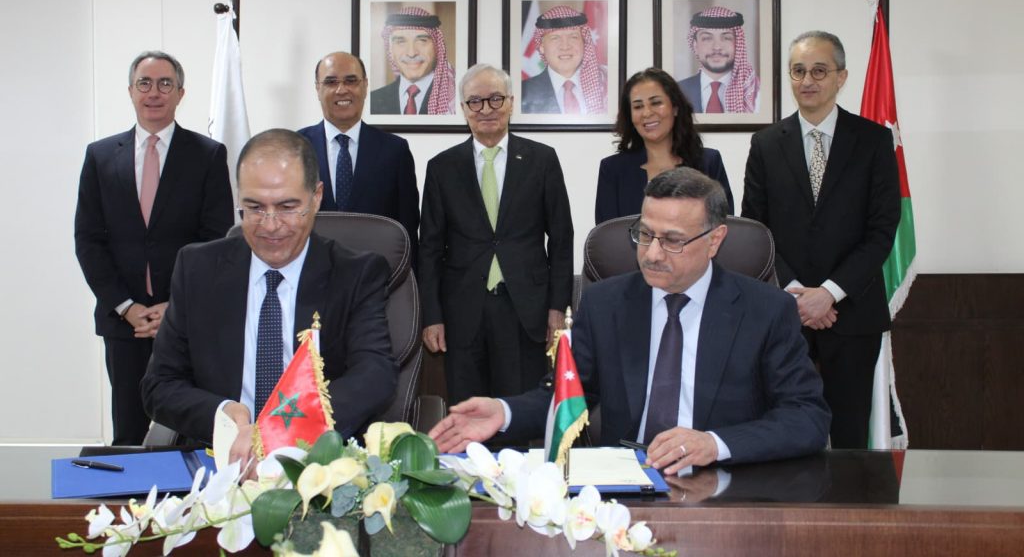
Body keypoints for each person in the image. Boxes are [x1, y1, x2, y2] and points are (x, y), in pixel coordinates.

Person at [430, 167, 830, 470]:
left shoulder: (765, 310)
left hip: (722, 482)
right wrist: (504, 413)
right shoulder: (605, 304)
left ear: (715, 240)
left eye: (672, 240)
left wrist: (715, 443)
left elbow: (808, 417)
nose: (652, 254)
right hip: (625, 482)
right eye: (645, 234)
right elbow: (568, 394)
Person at [141, 129, 397, 465]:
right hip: (221, 461)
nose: (271, 225)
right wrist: (222, 413)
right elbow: (159, 385)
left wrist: (279, 428)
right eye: (255, 208)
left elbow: (374, 376)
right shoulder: (197, 268)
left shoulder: (355, 274)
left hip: (318, 463)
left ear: (316, 197)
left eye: (287, 207)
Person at [741, 30, 900, 448]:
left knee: (850, 436)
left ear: (841, 77)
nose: (807, 80)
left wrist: (828, 293)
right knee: (781, 433)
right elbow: (755, 230)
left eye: (819, 71)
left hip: (853, 312)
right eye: (798, 71)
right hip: (783, 313)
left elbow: (882, 229)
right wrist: (796, 293)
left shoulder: (873, 140)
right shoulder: (765, 144)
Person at [74, 51, 233, 445]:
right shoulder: (100, 156)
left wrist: (175, 306)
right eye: (144, 83)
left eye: (165, 84)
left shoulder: (208, 155)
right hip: (123, 323)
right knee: (128, 433)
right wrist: (126, 307)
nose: (154, 93)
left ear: (181, 93)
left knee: (190, 432)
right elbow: (88, 241)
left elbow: (216, 241)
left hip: (186, 322)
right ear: (131, 91)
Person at [419, 64, 573, 406]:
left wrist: (557, 307)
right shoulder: (442, 167)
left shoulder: (542, 160)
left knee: (520, 411)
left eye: (495, 99)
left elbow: (562, 239)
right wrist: (432, 316)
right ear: (464, 109)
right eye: (475, 101)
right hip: (462, 311)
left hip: (524, 309)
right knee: (466, 411)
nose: (486, 109)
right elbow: (428, 249)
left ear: (511, 103)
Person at [298, 52, 420, 257]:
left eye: (351, 81)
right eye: (331, 82)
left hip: (377, 271)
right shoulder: (296, 147)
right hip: (310, 270)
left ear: (365, 86)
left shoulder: (395, 150)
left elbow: (407, 229)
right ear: (317, 88)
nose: (341, 89)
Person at [595, 67, 733, 224]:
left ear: (675, 108)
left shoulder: (709, 162)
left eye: (656, 103)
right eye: (638, 106)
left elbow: (722, 225)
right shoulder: (612, 169)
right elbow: (608, 233)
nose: (647, 113)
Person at [369, 7, 457, 115]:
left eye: (422, 41)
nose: (411, 53)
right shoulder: (371, 101)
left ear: (437, 47)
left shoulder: (455, 99)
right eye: (401, 42)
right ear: (390, 50)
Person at [521, 5, 607, 115]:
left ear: (584, 43)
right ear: (542, 46)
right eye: (555, 38)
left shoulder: (605, 86)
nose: (565, 46)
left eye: (573, 37)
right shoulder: (523, 92)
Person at [677, 6, 760, 114]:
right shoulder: (678, 90)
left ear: (738, 44)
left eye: (726, 38)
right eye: (707, 38)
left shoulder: (755, 92)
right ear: (695, 46)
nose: (717, 47)